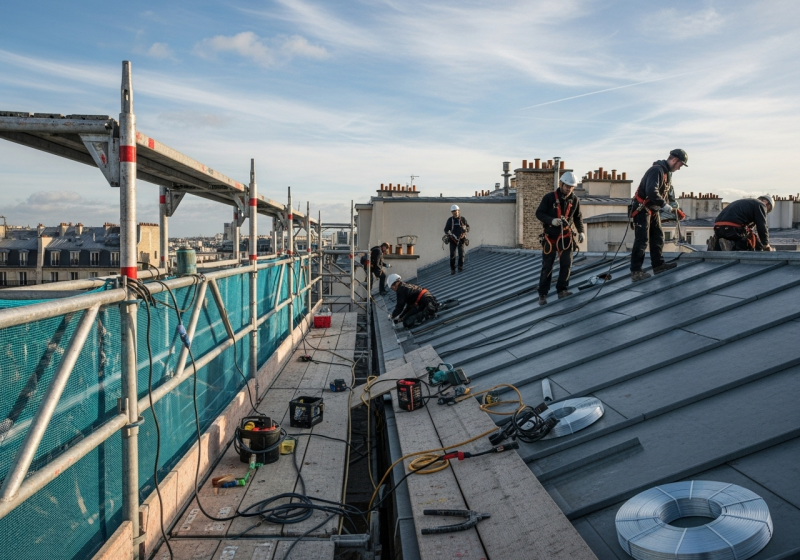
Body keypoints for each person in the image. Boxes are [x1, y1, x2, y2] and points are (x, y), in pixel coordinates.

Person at [629, 149, 689, 282]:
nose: (679, 168)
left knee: (658, 237)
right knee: (642, 240)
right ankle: (636, 271)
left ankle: (658, 265)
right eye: (680, 165)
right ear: (674, 160)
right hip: (642, 209)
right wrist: (665, 206)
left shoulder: (666, 173)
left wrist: (674, 205)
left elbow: (668, 192)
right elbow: (652, 191)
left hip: (652, 210)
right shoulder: (657, 170)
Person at [535, 171, 584, 306]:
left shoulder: (574, 200)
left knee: (566, 264)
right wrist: (552, 220)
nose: (569, 189)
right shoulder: (549, 198)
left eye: (571, 187)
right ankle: (542, 294)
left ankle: (562, 290)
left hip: (565, 237)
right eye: (567, 186)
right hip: (550, 237)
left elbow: (577, 217)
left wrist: (581, 232)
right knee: (547, 266)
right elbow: (539, 213)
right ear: (561, 184)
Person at [444, 204, 469, 274]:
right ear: (452, 212)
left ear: (459, 211)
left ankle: (460, 267)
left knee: (461, 254)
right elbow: (446, 230)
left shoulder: (463, 219)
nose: (456, 213)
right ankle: (453, 269)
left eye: (457, 211)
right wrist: (450, 235)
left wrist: (464, 233)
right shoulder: (450, 220)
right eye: (454, 211)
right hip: (453, 239)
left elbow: (467, 228)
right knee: (452, 255)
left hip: (461, 239)